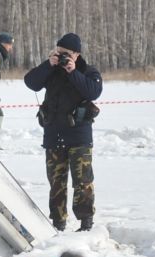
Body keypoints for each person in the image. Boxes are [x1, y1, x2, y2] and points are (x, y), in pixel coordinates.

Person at [24, 31, 103, 232]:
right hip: (54, 134)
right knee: (56, 182)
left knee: (83, 181)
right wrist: (48, 64)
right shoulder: (51, 70)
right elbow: (31, 82)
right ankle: (58, 222)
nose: (62, 57)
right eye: (59, 52)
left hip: (79, 136)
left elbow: (93, 92)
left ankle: (86, 222)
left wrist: (73, 71)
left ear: (76, 54)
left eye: (66, 53)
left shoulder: (87, 71)